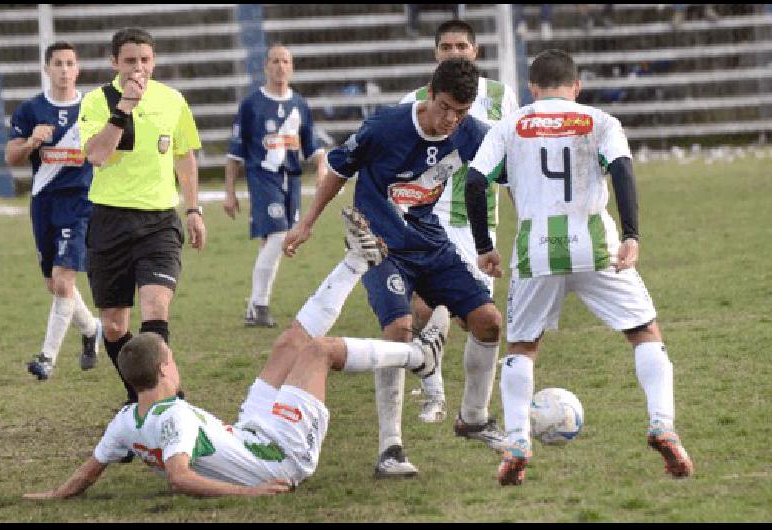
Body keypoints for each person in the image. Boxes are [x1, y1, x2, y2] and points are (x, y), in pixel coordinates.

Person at [22, 221, 450, 499]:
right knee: (319, 352)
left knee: (288, 344)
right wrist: (254, 492)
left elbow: (89, 472)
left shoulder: (124, 421)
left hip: (252, 431)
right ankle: (420, 356)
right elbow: (179, 476)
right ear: (166, 368)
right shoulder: (176, 421)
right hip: (283, 455)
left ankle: (357, 261)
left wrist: (56, 495)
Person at [465, 49, 694, 486]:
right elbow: (623, 170)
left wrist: (484, 246)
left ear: (532, 88)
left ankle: (516, 440)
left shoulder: (510, 126)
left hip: (536, 247)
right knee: (643, 331)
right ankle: (662, 423)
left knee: (523, 347)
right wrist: (632, 235)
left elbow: (476, 182)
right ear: (577, 86)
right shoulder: (600, 121)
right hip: (595, 242)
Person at [284, 58, 504, 478]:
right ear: (428, 93)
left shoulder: (471, 133)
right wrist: (307, 222)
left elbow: (495, 175)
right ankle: (390, 448)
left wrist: (485, 244)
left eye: (460, 112)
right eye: (444, 108)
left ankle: (473, 418)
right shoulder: (386, 127)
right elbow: (336, 168)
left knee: (489, 322)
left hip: (432, 243)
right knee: (399, 331)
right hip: (382, 247)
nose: (450, 120)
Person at [400, 19, 518, 425]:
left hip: (475, 224)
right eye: (446, 47)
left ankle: (474, 408)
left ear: (475, 51)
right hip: (423, 219)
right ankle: (434, 395)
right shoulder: (412, 101)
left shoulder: (502, 98)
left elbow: (514, 161)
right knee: (421, 308)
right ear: (436, 54)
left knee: (476, 320)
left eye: (461, 46)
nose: (453, 52)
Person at [79, 28, 206, 405]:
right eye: (130, 60)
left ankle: (169, 402)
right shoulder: (96, 101)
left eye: (145, 60)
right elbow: (97, 155)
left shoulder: (172, 100)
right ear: (114, 62)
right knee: (114, 326)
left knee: (155, 308)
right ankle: (139, 396)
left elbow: (184, 156)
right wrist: (124, 108)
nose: (139, 68)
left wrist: (194, 208)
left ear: (154, 61)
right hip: (110, 222)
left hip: (159, 223)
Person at [5, 41, 101, 380]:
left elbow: (110, 150)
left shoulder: (93, 107)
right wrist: (32, 142)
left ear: (78, 69)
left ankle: (46, 358)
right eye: (57, 63)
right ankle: (91, 330)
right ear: (47, 69)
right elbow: (11, 157)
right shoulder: (31, 110)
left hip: (79, 203)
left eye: (69, 63)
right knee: (54, 283)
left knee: (64, 282)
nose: (63, 69)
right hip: (43, 202)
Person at [224, 44, 327, 329]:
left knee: (272, 242)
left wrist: (321, 167)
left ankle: (252, 308)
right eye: (275, 61)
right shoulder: (252, 105)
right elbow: (234, 155)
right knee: (280, 235)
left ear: (291, 67)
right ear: (266, 67)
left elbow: (313, 147)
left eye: (285, 61)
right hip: (263, 179)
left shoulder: (299, 105)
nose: (280, 66)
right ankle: (260, 304)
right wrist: (229, 192)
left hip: (291, 181)